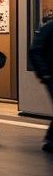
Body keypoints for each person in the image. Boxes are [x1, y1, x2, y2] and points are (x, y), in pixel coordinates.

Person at [31, 12, 53, 153]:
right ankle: (50, 139)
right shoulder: (49, 28)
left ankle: (50, 138)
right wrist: (44, 72)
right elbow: (35, 50)